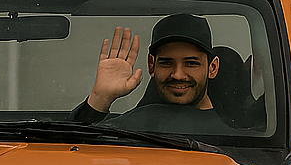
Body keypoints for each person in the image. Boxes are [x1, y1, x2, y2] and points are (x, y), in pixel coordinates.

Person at [69, 13, 232, 132]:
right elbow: (70, 150)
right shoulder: (128, 127)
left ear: (213, 68)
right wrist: (100, 98)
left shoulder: (239, 138)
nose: (178, 74)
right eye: (167, 63)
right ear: (151, 66)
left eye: (191, 63)